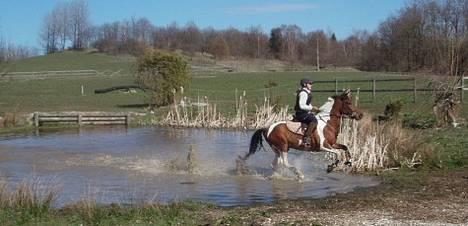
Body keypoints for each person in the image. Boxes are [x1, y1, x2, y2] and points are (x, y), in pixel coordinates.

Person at [294, 78, 319, 146]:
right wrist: (312, 108)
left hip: (304, 113)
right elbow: (302, 106)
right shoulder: (303, 93)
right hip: (301, 114)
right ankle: (306, 138)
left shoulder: (307, 93)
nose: (311, 85)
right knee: (314, 120)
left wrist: (313, 109)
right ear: (305, 84)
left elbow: (307, 104)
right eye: (310, 84)